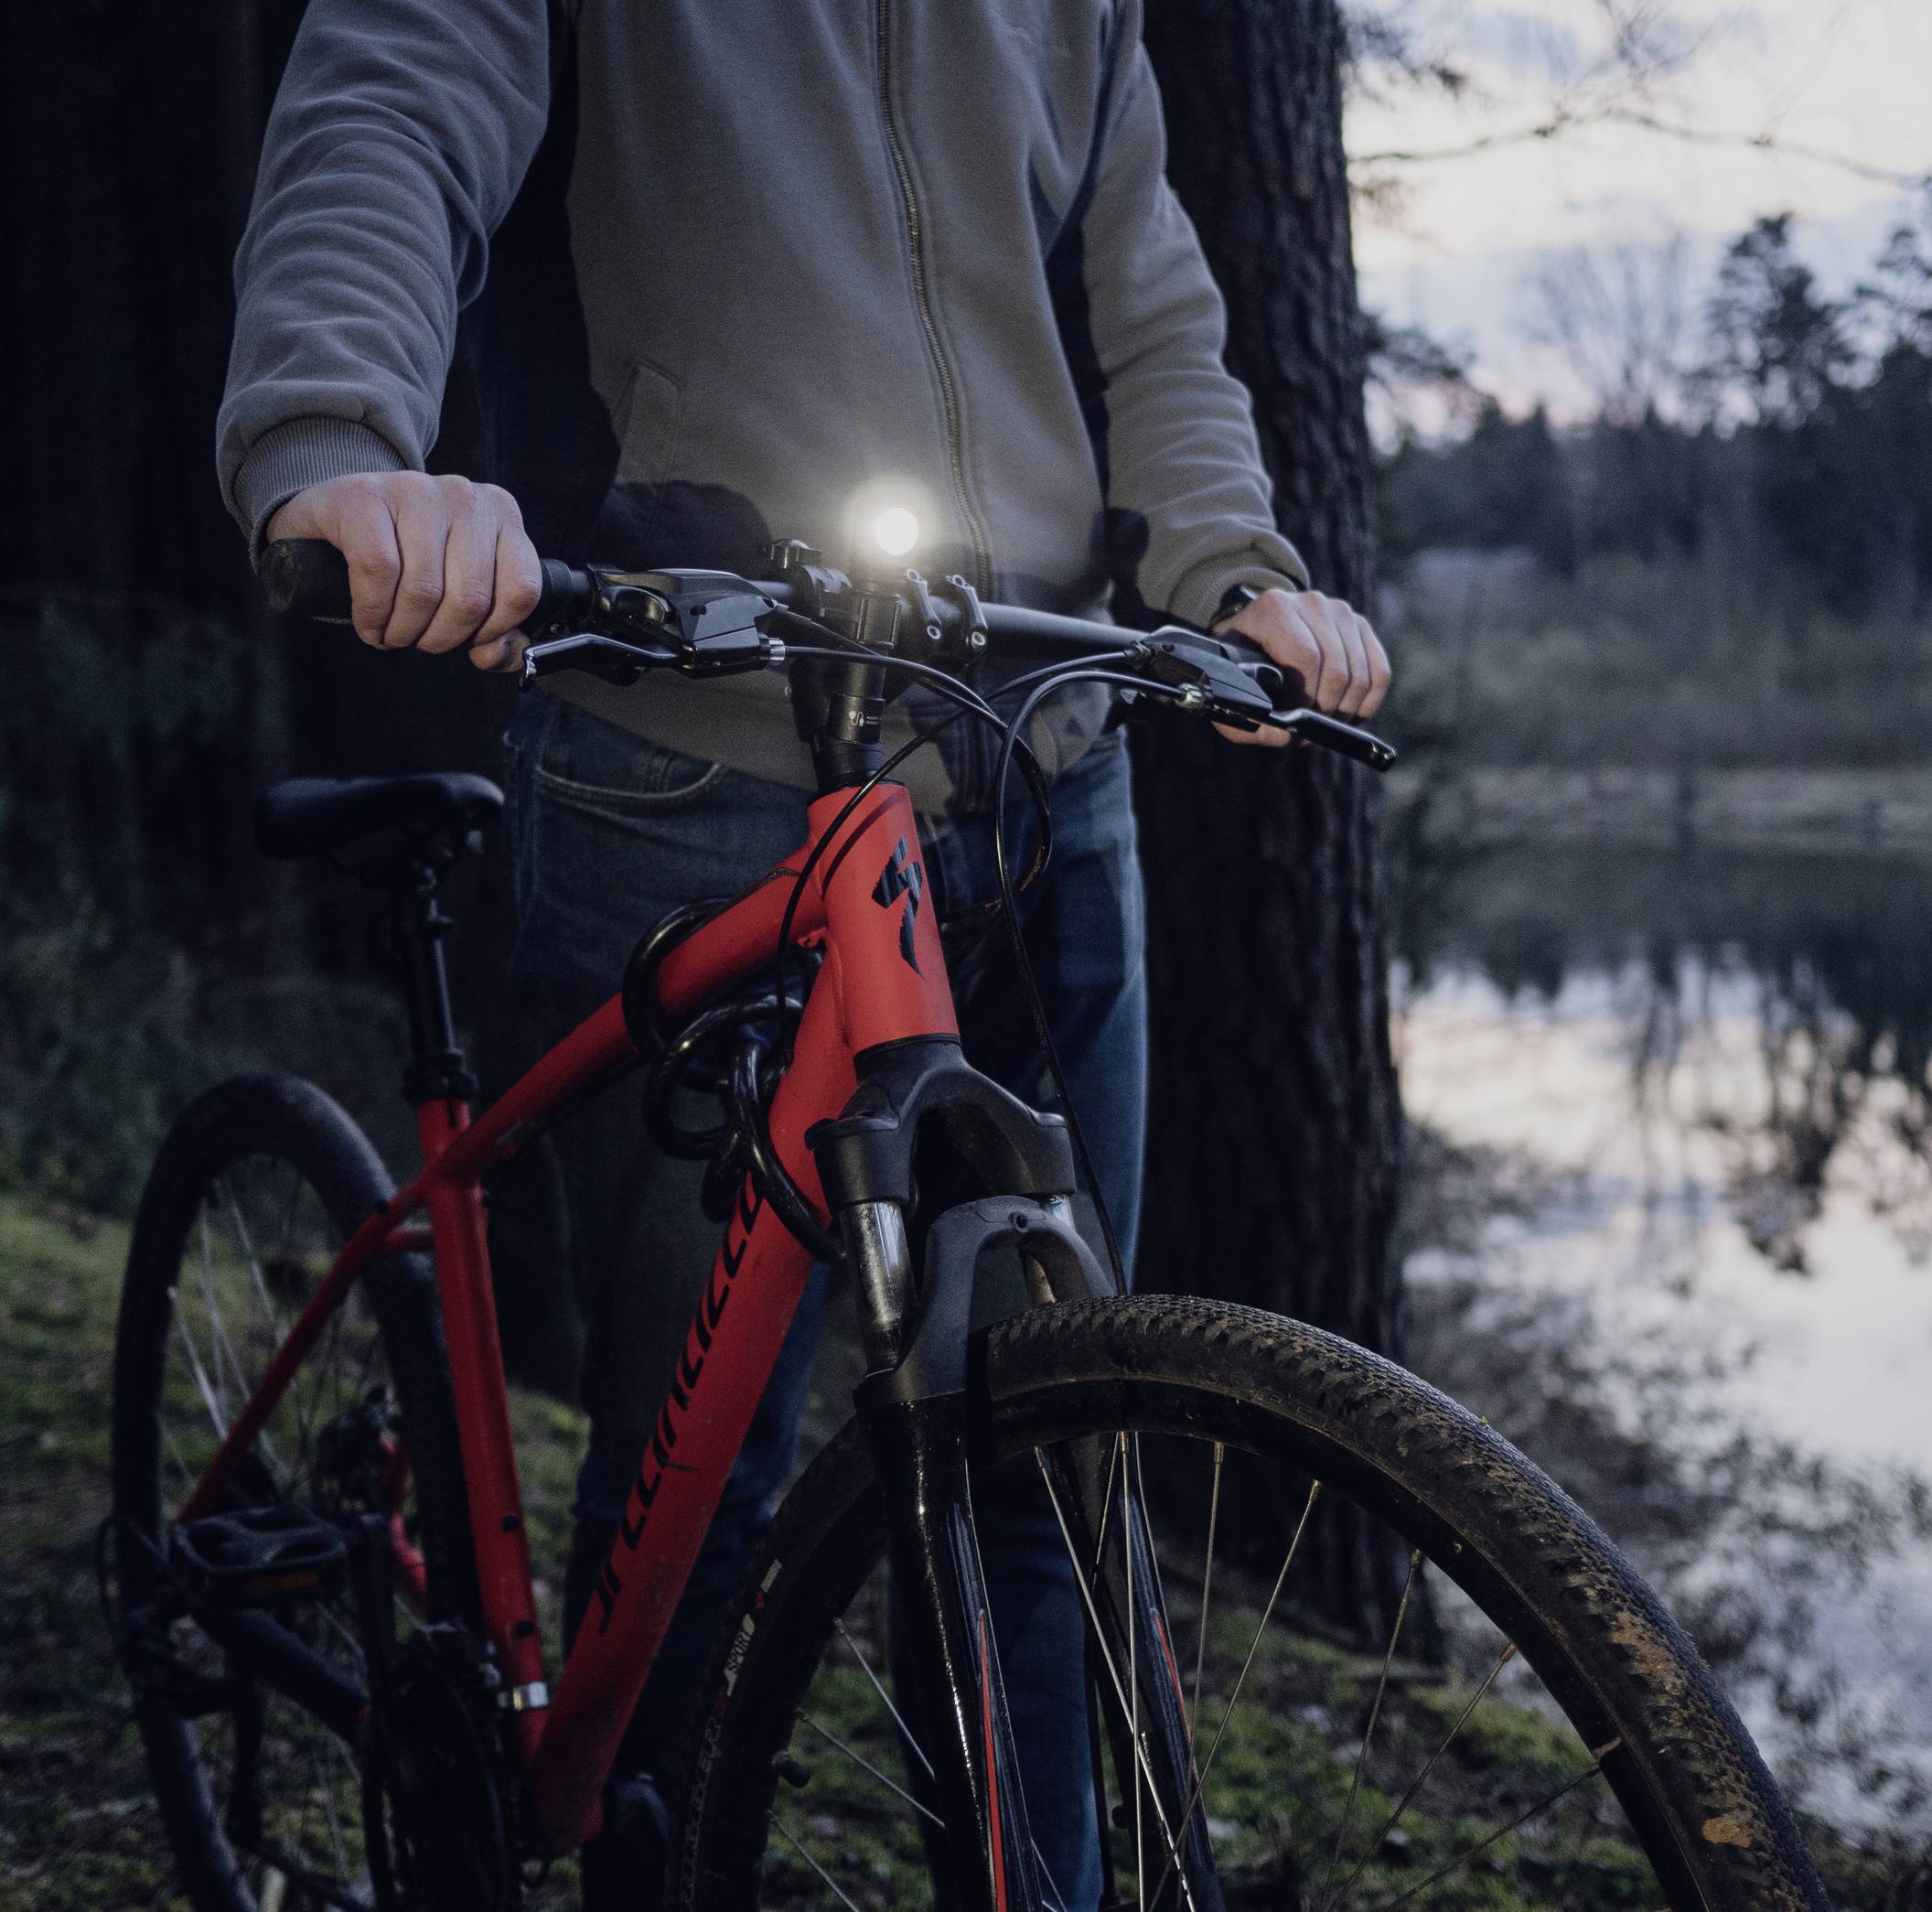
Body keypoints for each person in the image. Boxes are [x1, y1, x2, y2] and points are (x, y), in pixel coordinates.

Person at [217, 4, 1390, 1903]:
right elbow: (399, 96)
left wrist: (1233, 575)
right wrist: (342, 435)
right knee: (701, 1484)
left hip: (1042, 762)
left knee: (1036, 1431)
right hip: (690, 761)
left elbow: (1147, 296)